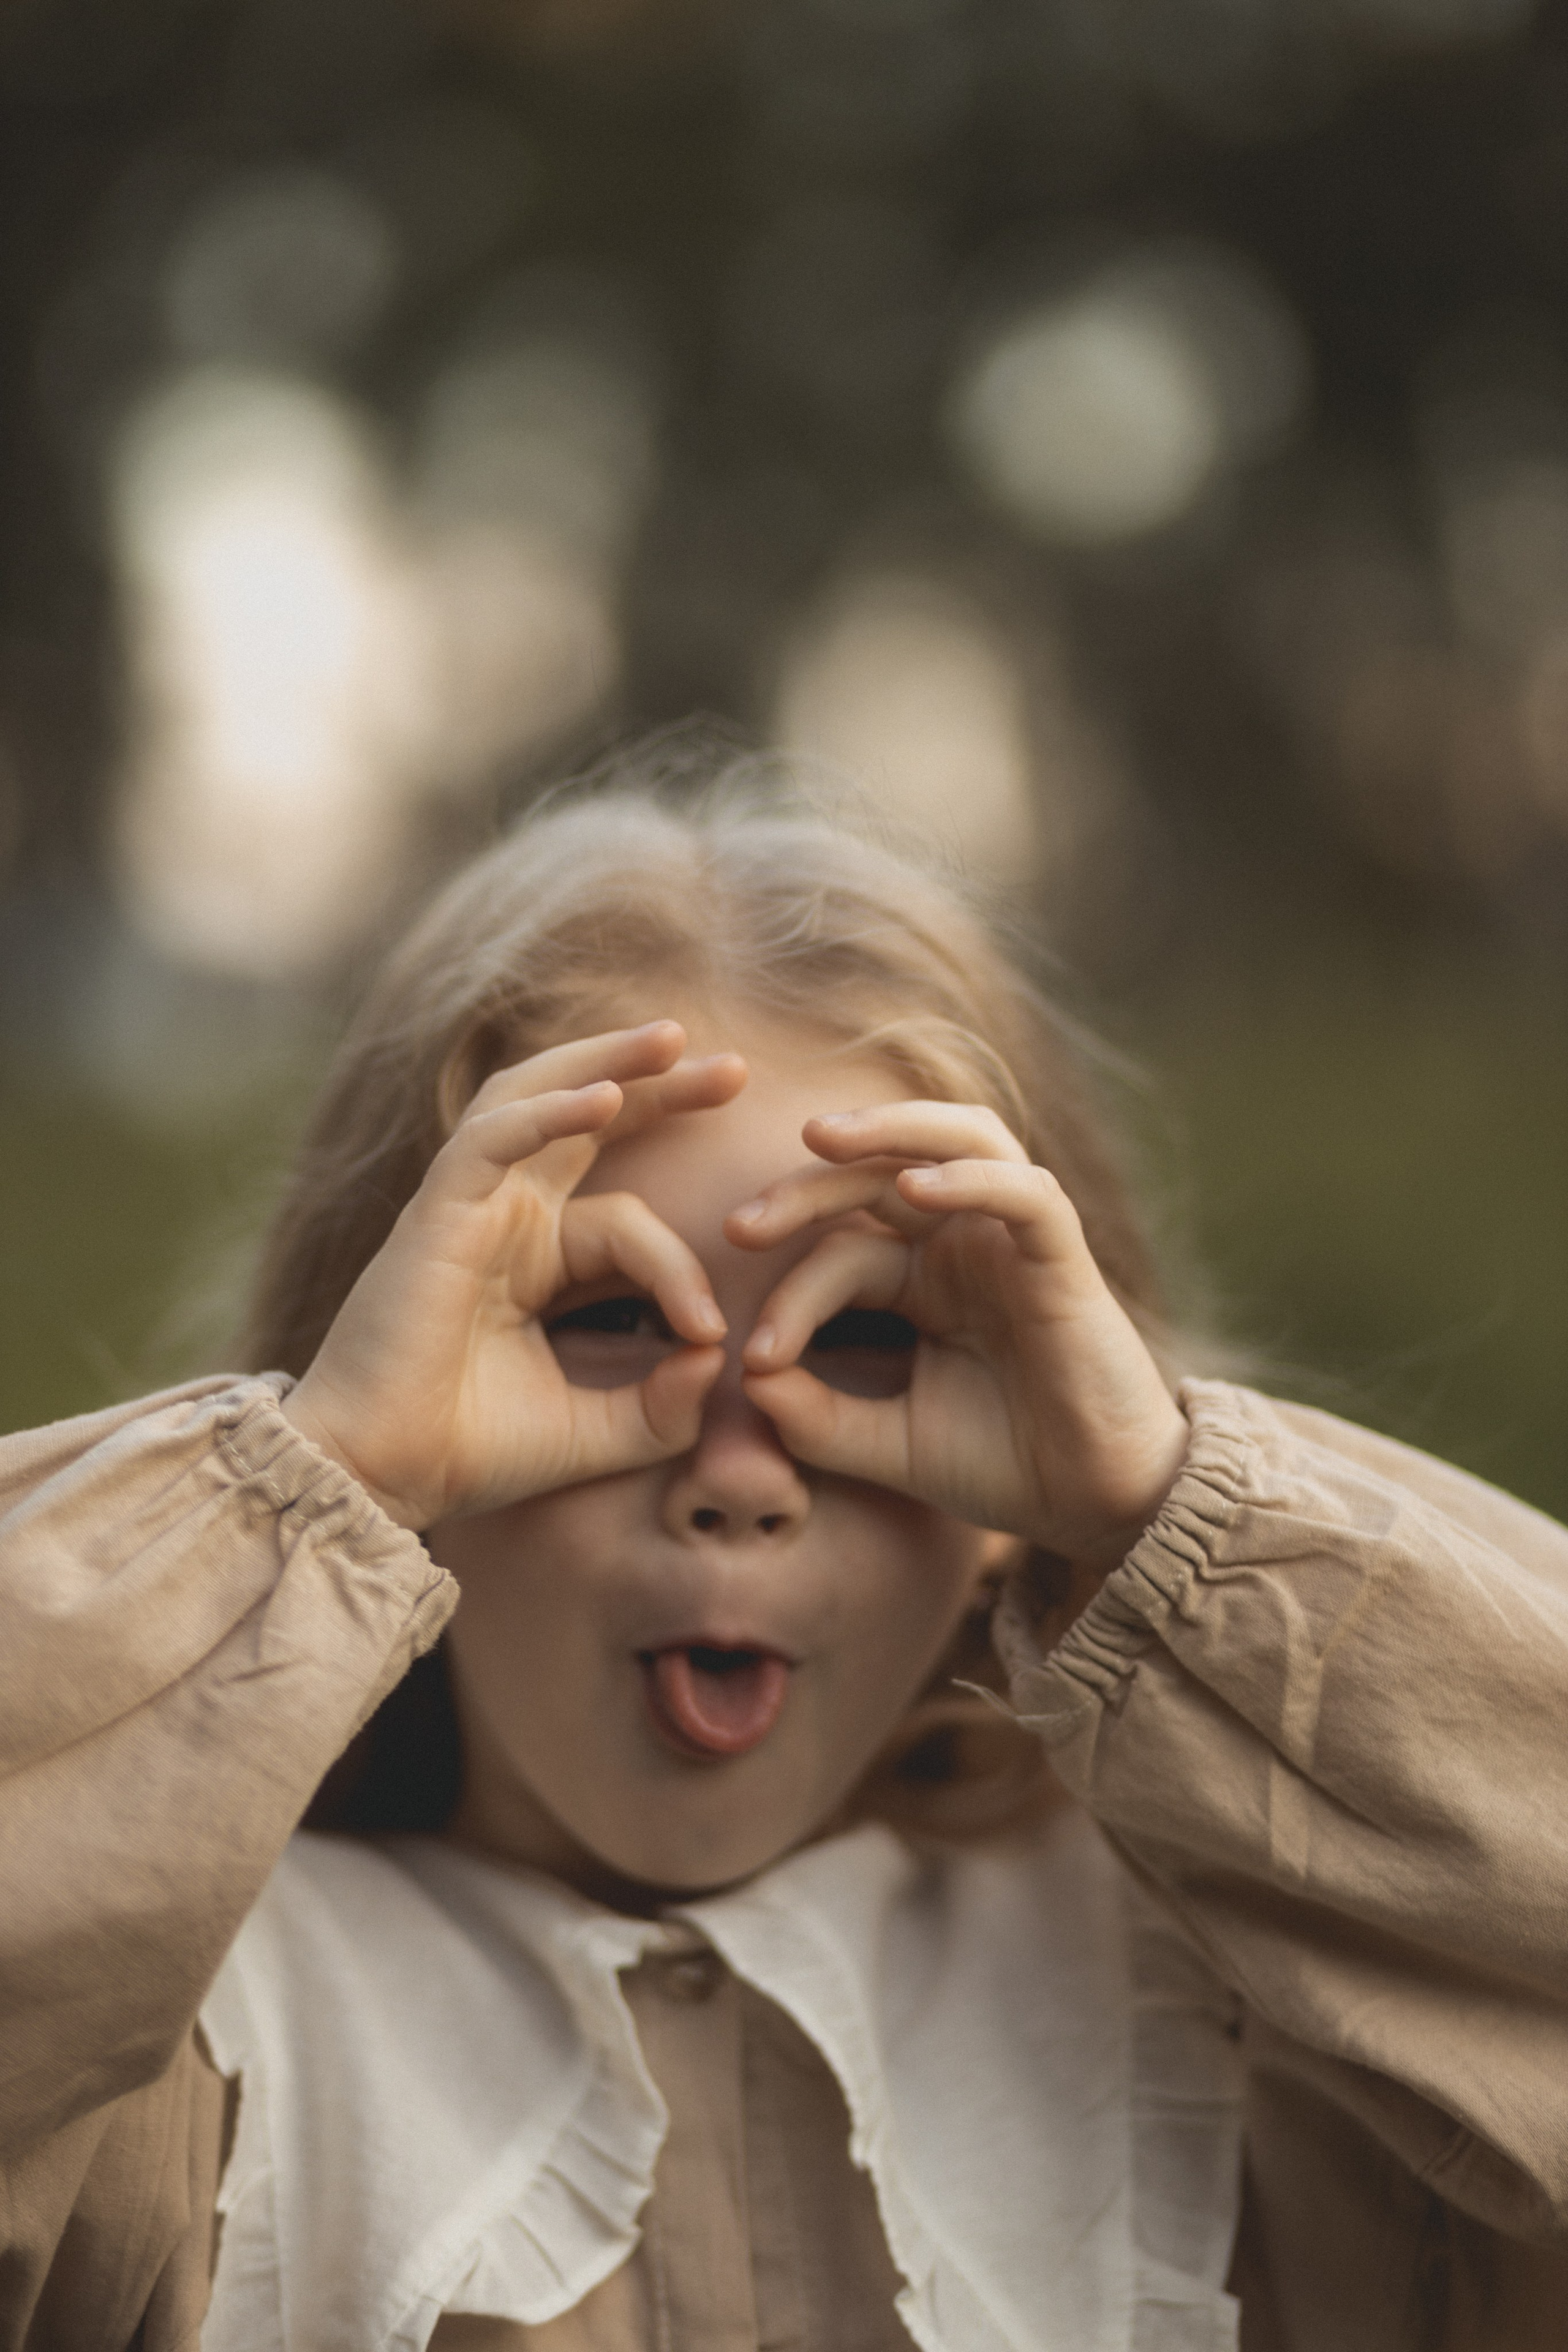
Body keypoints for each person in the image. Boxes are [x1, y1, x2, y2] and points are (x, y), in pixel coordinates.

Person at [2, 747, 1566, 2352]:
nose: (740, 1474)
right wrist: (310, 1488)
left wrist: (1161, 1515)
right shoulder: (186, 2060)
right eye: (602, 1320)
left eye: (874, 1339)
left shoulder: (1250, 2028)